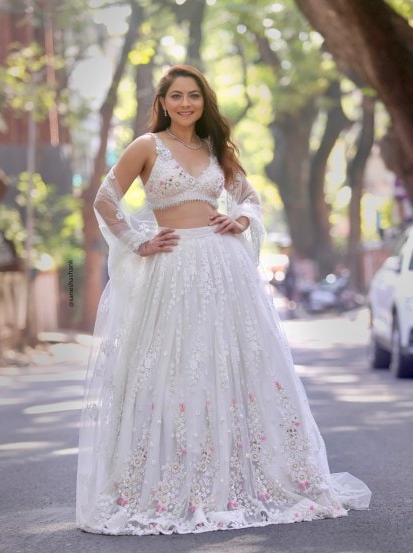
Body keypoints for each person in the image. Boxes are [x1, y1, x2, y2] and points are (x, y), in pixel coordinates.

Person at [76, 64, 371, 536]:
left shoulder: (215, 148)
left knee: (236, 366)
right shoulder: (147, 147)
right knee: (173, 371)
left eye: (194, 95)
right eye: (176, 96)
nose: (186, 103)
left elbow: (249, 196)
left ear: (204, 101)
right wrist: (138, 241)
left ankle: (246, 478)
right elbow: (106, 198)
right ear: (164, 102)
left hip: (223, 268)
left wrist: (241, 220)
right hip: (171, 269)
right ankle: (169, 481)